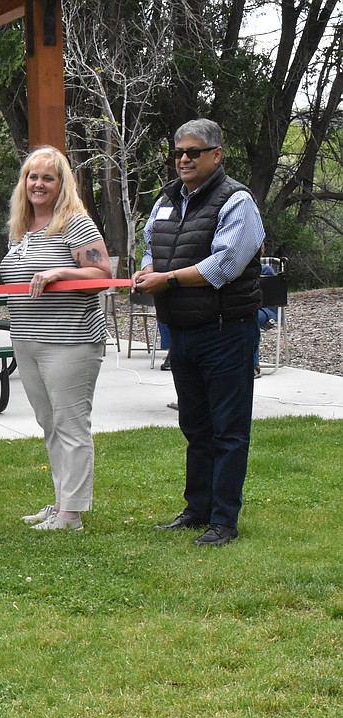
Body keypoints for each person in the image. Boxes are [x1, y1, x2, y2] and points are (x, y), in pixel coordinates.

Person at [132, 118, 265, 546]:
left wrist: (166, 281)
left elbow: (224, 266)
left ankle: (224, 520)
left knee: (228, 430)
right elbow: (153, 244)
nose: (184, 159)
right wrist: (149, 267)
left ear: (217, 155)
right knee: (195, 427)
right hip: (183, 333)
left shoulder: (236, 201)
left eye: (193, 152)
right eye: (178, 153)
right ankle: (197, 509)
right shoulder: (167, 199)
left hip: (226, 331)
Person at [1, 146, 112, 532]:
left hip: (70, 340)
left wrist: (61, 273)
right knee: (50, 424)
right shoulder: (20, 228)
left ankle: (72, 514)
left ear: (62, 183)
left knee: (70, 424)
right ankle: (61, 503)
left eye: (48, 177)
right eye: (33, 176)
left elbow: (103, 274)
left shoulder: (75, 223)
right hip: (27, 340)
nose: (38, 184)